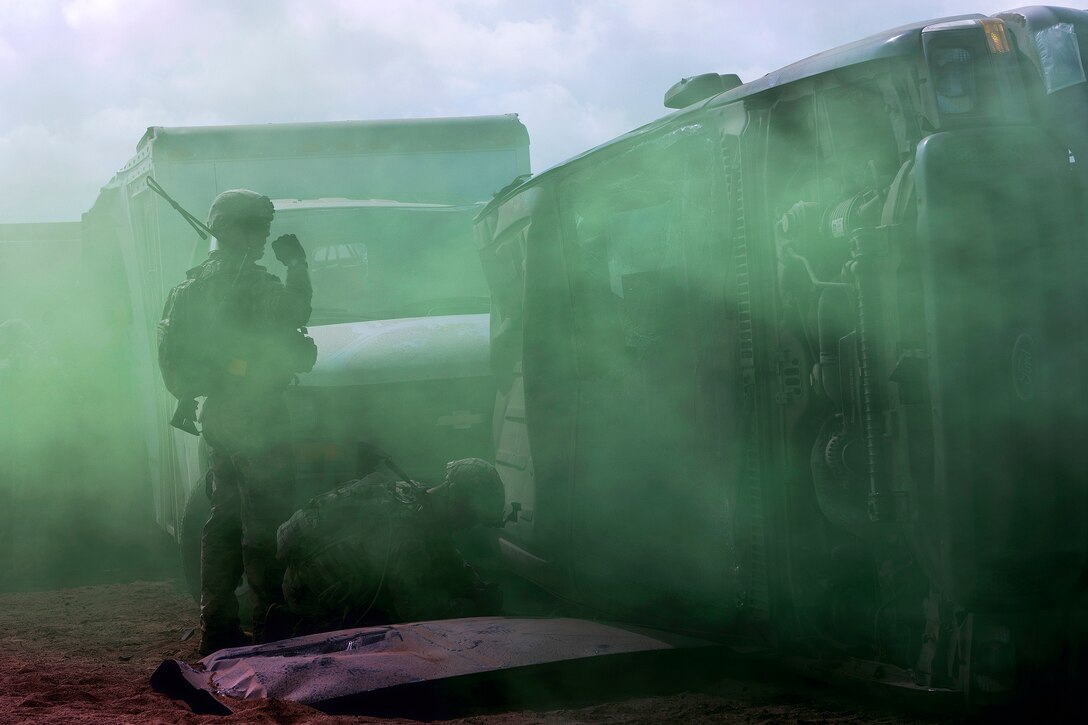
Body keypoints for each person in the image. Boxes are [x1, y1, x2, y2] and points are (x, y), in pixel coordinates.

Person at [177, 189, 314, 655]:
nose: (265, 237)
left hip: (218, 413)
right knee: (264, 519)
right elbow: (297, 310)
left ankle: (216, 624)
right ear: (238, 229)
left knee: (222, 519)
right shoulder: (251, 282)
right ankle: (272, 626)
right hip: (257, 413)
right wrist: (296, 264)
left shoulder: (195, 284)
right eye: (258, 227)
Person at [272, 457, 506, 637]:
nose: (469, 526)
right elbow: (418, 611)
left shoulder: (418, 496)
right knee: (391, 635)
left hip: (329, 577)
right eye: (472, 517)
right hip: (311, 597)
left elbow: (445, 554)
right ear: (457, 500)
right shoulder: (405, 533)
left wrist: (476, 588)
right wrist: (470, 610)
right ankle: (296, 629)